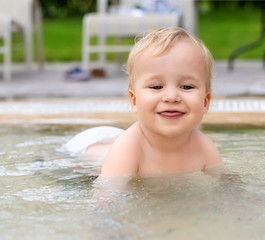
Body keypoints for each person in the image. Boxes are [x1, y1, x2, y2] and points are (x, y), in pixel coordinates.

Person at [65, 27, 222, 178]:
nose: (172, 96)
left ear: (205, 102)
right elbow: (106, 200)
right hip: (85, 146)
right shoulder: (127, 150)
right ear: (134, 101)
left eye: (186, 86)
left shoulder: (205, 149)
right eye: (156, 86)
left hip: (117, 142)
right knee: (100, 158)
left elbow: (227, 188)